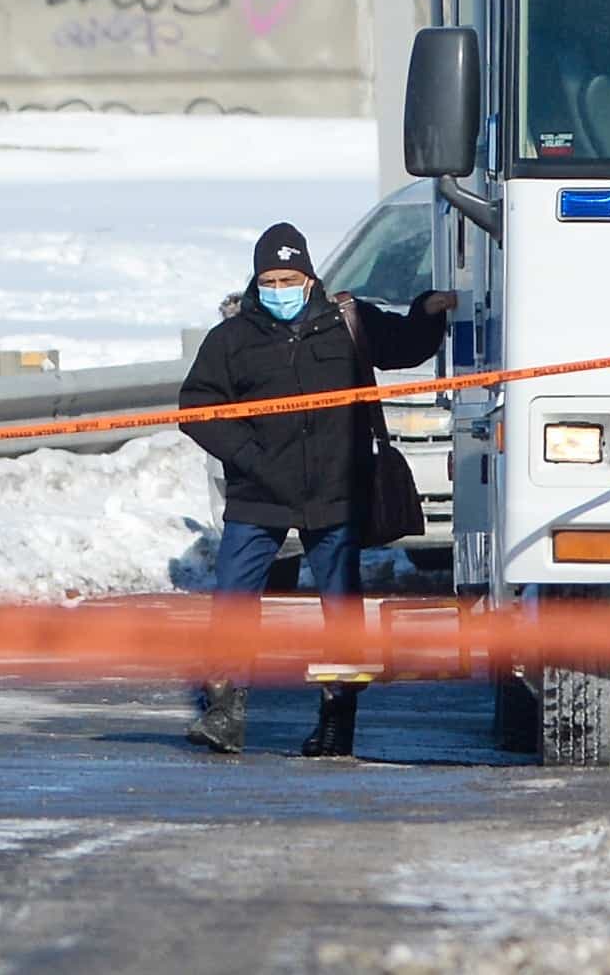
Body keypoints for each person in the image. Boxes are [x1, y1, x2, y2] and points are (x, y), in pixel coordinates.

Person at [178, 221, 454, 758]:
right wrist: (251, 458)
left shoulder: (346, 322)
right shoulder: (232, 339)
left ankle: (337, 720)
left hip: (335, 492)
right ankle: (225, 712)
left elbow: (403, 346)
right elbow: (199, 409)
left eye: (290, 277)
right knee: (234, 601)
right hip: (259, 495)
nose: (280, 289)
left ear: (309, 277)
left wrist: (427, 313)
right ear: (257, 282)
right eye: (270, 279)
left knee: (342, 612)